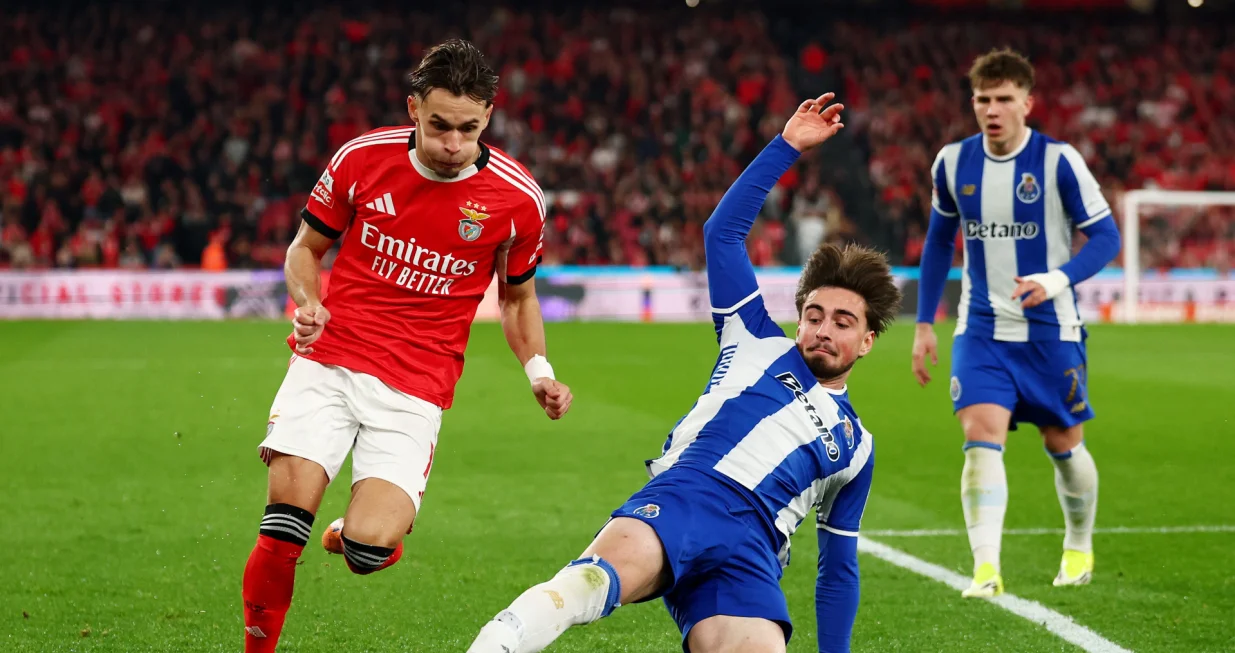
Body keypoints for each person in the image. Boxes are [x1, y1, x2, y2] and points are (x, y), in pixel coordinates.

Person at [468, 93, 902, 653]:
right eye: (814, 315)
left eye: (843, 322)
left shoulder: (857, 447)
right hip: (688, 494)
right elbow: (722, 234)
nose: (823, 329)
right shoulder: (752, 336)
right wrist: (787, 145)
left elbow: (838, 570)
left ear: (866, 341)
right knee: (588, 585)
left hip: (754, 553)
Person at [240, 39, 573, 652]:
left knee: (370, 550)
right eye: (440, 125)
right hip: (332, 360)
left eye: (468, 129)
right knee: (283, 530)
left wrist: (538, 370)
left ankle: (351, 536)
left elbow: (519, 297)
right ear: (414, 108)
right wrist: (308, 304)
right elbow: (304, 251)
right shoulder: (362, 159)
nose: (453, 144)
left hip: (418, 386)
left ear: (488, 119)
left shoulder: (518, 199)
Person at [911, 48, 1121, 597]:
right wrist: (923, 323)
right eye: (983, 99)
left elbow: (1106, 237)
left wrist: (1056, 280)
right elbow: (938, 242)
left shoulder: (1059, 162)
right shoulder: (952, 163)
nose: (992, 109)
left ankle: (1078, 544)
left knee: (1063, 441)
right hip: (980, 329)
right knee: (980, 437)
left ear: (1028, 103)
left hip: (1052, 333)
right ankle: (986, 568)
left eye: (1004, 99)